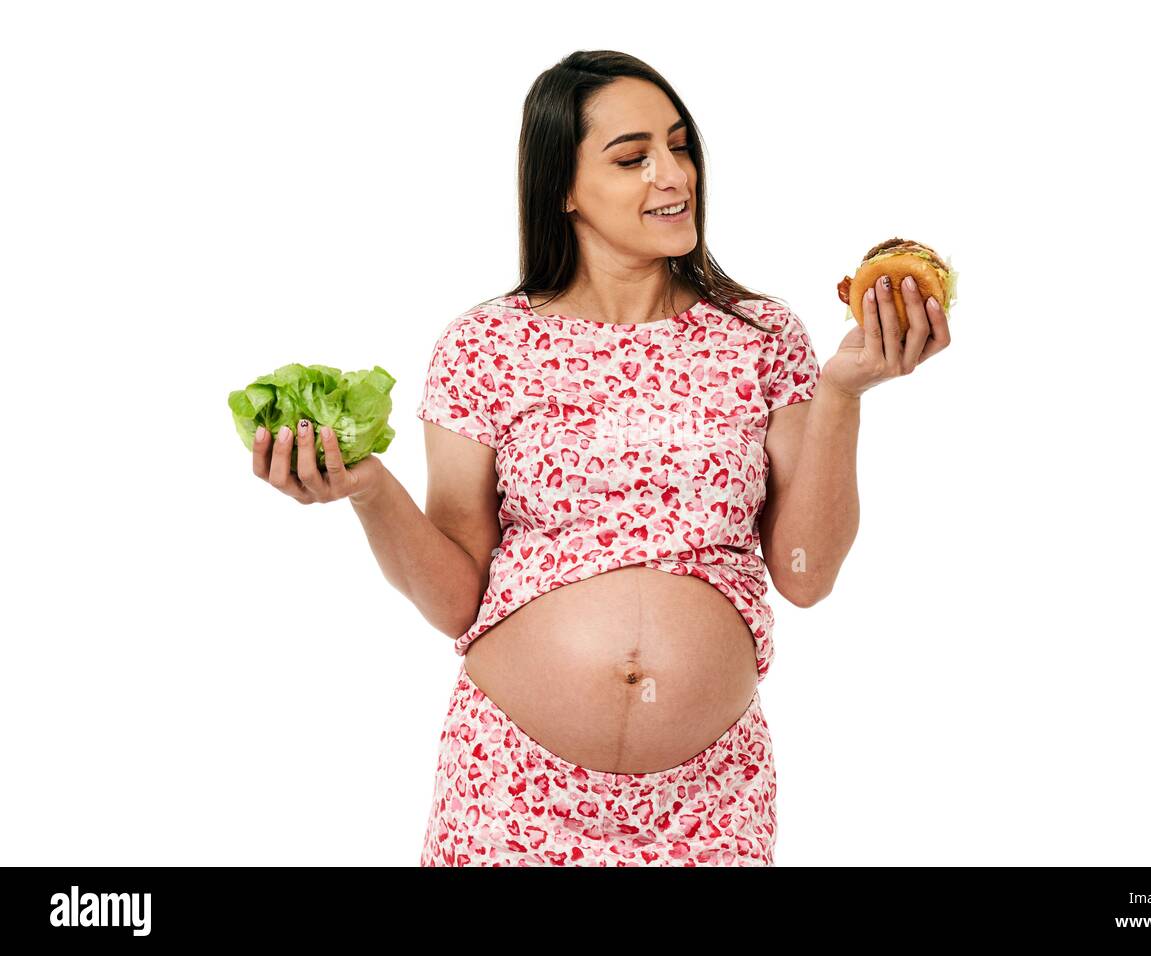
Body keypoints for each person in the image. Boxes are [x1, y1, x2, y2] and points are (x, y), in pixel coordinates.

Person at [251, 51, 951, 866]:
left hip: (709, 803)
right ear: (564, 189)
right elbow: (454, 600)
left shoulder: (761, 338)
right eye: (633, 157)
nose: (674, 175)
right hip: (511, 792)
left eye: (680, 147)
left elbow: (805, 573)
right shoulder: (487, 346)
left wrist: (842, 394)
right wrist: (368, 489)